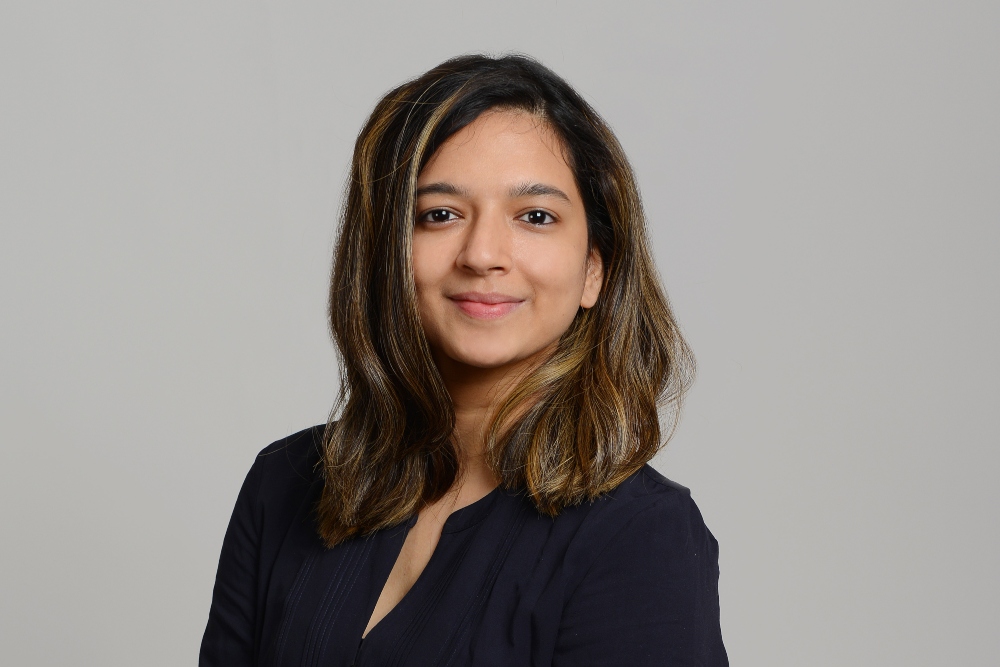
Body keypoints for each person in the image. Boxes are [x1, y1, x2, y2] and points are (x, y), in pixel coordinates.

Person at [199, 54, 727, 666]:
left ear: (593, 271)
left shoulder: (640, 536)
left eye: (535, 217)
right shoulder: (285, 483)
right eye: (439, 214)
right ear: (387, 252)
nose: (482, 254)